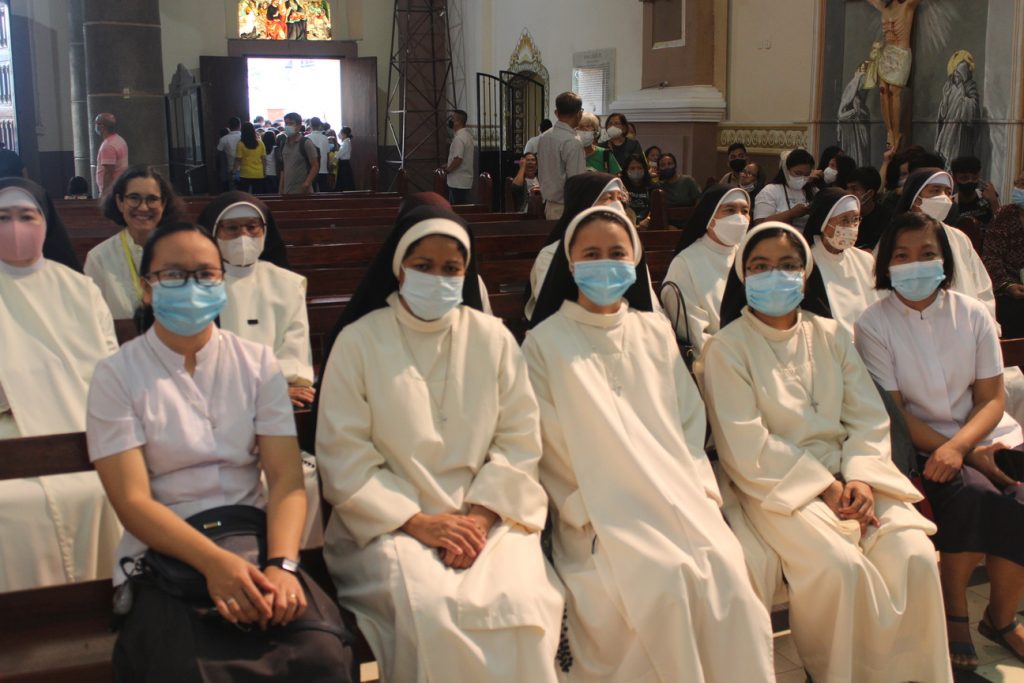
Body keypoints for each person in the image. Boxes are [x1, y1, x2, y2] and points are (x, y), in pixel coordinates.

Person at [85, 222, 349, 681]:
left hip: (255, 540)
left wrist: (282, 565)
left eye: (206, 274)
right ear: (147, 288)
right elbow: (132, 500)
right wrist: (214, 564)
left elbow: (286, 480)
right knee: (192, 668)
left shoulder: (257, 363)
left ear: (221, 282)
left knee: (320, 654)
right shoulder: (116, 375)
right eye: (173, 275)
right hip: (165, 548)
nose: (192, 286)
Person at [522, 205, 775, 681]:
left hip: (677, 496)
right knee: (665, 586)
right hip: (598, 511)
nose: (605, 263)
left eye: (617, 253)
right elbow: (549, 445)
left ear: (635, 259)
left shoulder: (655, 331)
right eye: (591, 254)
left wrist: (698, 492)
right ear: (570, 264)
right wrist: (590, 509)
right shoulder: (544, 343)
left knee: (729, 577)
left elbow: (688, 422)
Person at [315, 204, 565, 683]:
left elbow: (518, 440)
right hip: (389, 526)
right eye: (423, 266)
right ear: (399, 269)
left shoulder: (493, 338)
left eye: (451, 268)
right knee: (431, 610)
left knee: (522, 601)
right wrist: (421, 524)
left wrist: (479, 518)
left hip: (488, 517)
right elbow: (344, 456)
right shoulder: (358, 341)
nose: (438, 278)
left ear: (466, 273)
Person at [702, 221, 950, 683]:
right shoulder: (726, 348)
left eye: (787, 265)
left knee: (914, 554)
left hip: (856, 475)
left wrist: (861, 478)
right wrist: (826, 487)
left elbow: (867, 416)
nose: (774, 275)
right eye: (760, 266)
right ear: (743, 276)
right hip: (778, 486)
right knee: (840, 568)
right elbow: (746, 443)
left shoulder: (832, 334)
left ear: (805, 273)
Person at [856, 212, 1024, 672]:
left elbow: (991, 398)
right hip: (924, 444)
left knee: (1019, 500)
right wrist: (954, 452)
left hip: (985, 434)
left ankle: (1001, 618)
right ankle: (955, 617)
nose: (915, 264)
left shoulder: (972, 313)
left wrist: (965, 447)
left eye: (926, 254)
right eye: (902, 256)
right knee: (970, 496)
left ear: (944, 260)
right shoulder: (873, 324)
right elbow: (896, 412)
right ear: (886, 264)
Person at [0, 179, 121, 592]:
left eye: (26, 216)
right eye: (3, 217)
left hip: (79, 424)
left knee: (108, 492)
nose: (15, 227)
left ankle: (107, 603)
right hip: (9, 430)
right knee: (13, 509)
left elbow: (108, 368)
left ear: (46, 222)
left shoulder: (79, 288)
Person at [195, 191, 311, 403]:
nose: (243, 236)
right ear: (213, 232)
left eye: (251, 227)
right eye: (232, 228)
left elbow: (295, 348)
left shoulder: (289, 284)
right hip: (218, 395)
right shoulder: (197, 285)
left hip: (279, 388)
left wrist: (275, 388)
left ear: (264, 230)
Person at [524, 172, 627, 321]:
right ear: (585, 205)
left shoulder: (627, 252)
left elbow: (648, 305)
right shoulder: (550, 256)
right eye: (609, 198)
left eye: (619, 198)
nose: (617, 205)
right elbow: (552, 309)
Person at [661, 185, 750, 354]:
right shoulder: (684, 264)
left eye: (745, 211)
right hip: (714, 357)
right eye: (730, 210)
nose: (740, 217)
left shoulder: (750, 258)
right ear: (710, 217)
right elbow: (696, 335)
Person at [85, 166, 183, 319]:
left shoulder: (183, 252)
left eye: (152, 199)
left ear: (163, 204)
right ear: (120, 202)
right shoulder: (99, 258)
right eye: (134, 198)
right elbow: (91, 319)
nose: (143, 207)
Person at [802, 189, 882, 334]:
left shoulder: (865, 260)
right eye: (844, 220)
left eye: (855, 219)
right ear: (824, 223)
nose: (851, 226)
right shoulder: (808, 262)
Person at [983, 169, 1024, 338]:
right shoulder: (1005, 215)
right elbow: (991, 257)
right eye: (1021, 184)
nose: (1021, 189)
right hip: (1008, 292)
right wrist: (1007, 285)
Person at [537, 92, 585, 219]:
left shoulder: (544, 136)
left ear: (556, 112)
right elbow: (576, 181)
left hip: (549, 204)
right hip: (567, 207)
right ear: (579, 114)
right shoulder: (572, 141)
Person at [754, 148, 819, 228]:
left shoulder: (814, 191)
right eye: (798, 173)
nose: (802, 178)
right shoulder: (770, 191)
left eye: (806, 174)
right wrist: (790, 213)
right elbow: (760, 225)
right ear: (786, 170)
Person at [847, 166, 892, 249]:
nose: (849, 193)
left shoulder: (886, 218)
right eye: (848, 188)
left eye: (854, 189)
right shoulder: (844, 215)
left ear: (870, 193)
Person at [951, 155, 999, 229]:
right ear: (954, 179)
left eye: (974, 178)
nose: (970, 181)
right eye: (964, 178)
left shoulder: (987, 197)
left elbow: (1002, 226)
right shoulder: (951, 204)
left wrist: (994, 201)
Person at [279, 112, 318, 196]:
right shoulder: (283, 144)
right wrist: (281, 188)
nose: (288, 126)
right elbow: (283, 168)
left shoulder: (306, 143)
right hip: (286, 192)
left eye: (291, 123)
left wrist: (306, 184)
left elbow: (315, 166)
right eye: (286, 123)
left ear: (299, 126)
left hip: (303, 193)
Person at [443, 110, 475, 204]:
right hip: (464, 180)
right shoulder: (467, 136)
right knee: (462, 207)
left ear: (459, 122)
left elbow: (458, 159)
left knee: (456, 208)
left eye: (453, 119)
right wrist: (448, 164)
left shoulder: (459, 138)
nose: (451, 121)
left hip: (457, 181)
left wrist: (447, 170)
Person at [95, 112, 129, 198]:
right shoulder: (119, 139)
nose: (95, 126)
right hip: (120, 187)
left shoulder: (108, 146)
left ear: (102, 127)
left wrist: (104, 195)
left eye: (96, 124)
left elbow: (108, 173)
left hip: (112, 192)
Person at [233, 122, 267, 195]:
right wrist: (264, 171)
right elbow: (264, 159)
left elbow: (238, 159)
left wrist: (234, 171)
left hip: (245, 173)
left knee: (244, 195)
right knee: (258, 195)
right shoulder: (260, 143)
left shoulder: (240, 144)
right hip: (258, 173)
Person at [620, 153, 653, 224]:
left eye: (639, 168)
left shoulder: (653, 187)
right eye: (632, 168)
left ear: (645, 169)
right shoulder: (620, 188)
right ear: (626, 170)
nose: (636, 171)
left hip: (648, 225)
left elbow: (655, 209)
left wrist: (647, 220)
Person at [217, 117, 242, 192]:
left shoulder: (224, 139)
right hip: (246, 170)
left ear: (229, 126)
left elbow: (218, 152)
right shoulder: (245, 137)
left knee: (233, 194)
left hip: (231, 170)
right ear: (239, 125)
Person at [306, 117, 332, 192]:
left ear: (310, 126)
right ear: (320, 125)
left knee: (312, 191)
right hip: (323, 168)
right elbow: (327, 154)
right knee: (324, 191)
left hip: (310, 169)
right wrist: (328, 167)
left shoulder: (307, 138)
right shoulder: (325, 138)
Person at [335, 126, 356, 191]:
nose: (339, 135)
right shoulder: (346, 142)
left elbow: (338, 155)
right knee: (346, 181)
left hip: (344, 164)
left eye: (340, 133)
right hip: (344, 164)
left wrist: (332, 160)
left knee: (344, 182)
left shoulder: (345, 143)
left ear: (344, 134)